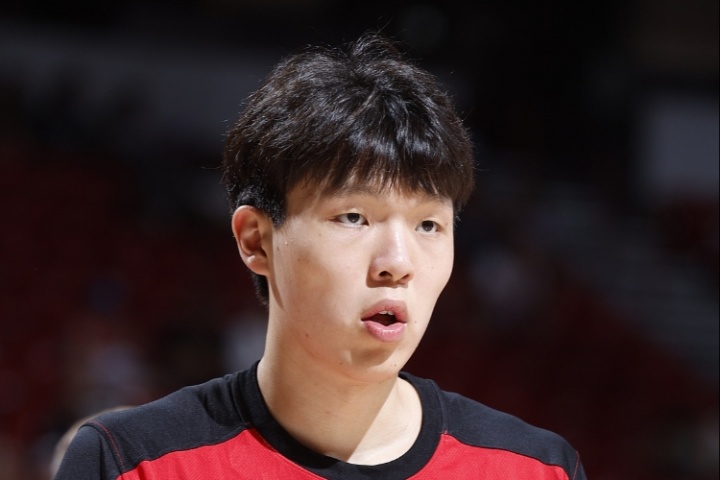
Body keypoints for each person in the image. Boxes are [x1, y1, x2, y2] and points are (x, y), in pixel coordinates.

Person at [54, 32, 587, 479]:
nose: (397, 262)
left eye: (429, 224)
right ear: (256, 240)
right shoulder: (131, 462)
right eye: (353, 217)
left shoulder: (536, 469)